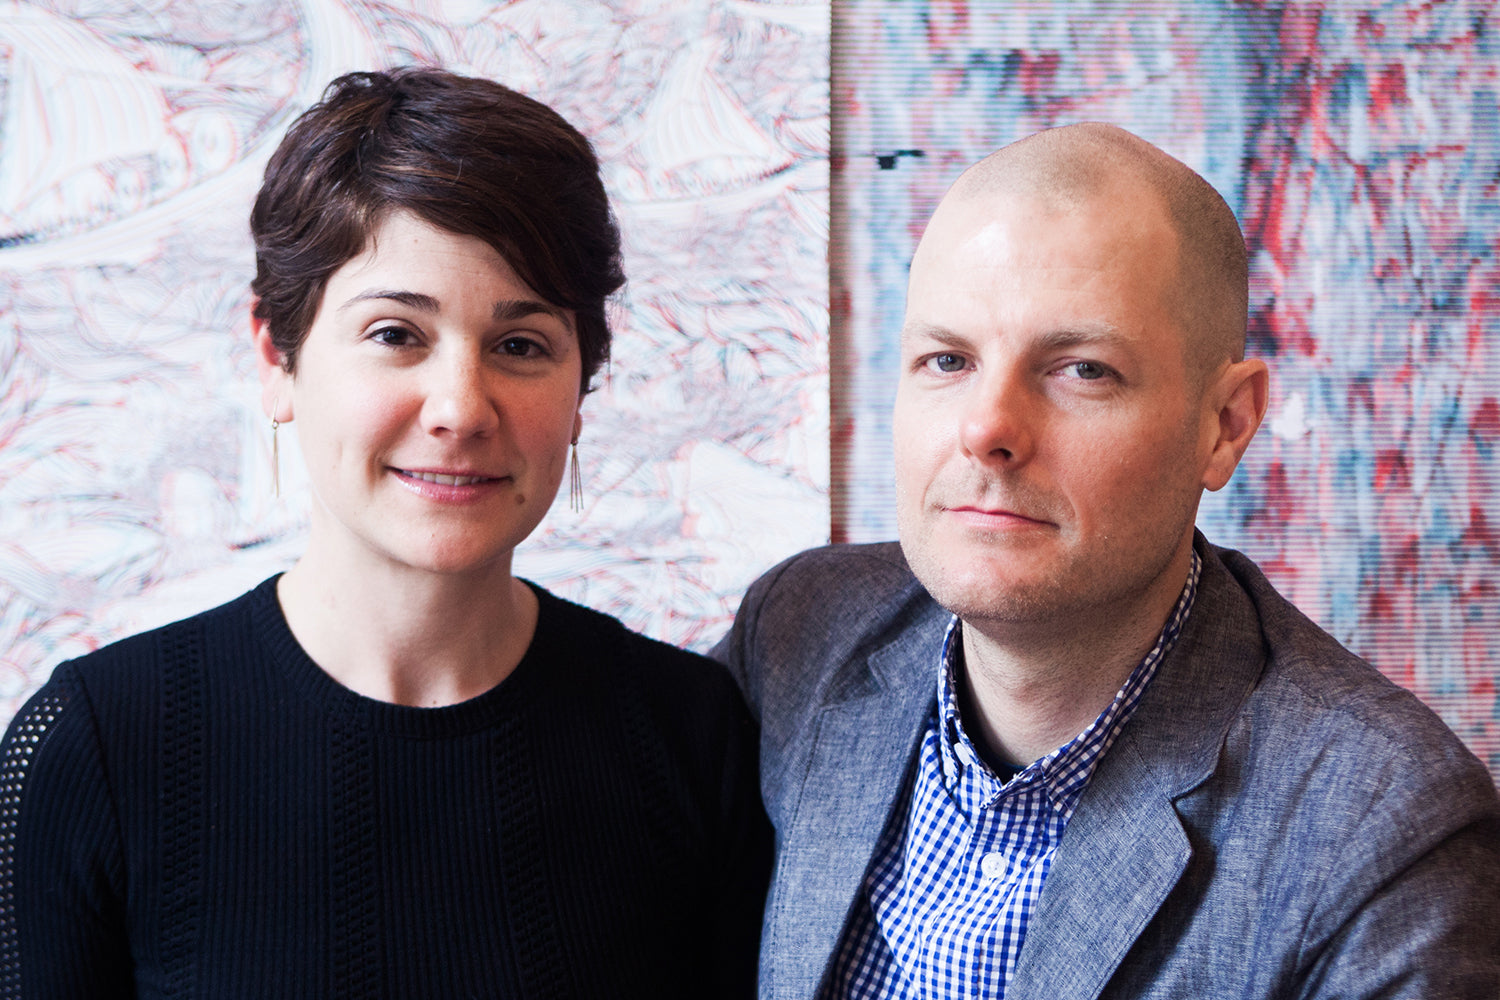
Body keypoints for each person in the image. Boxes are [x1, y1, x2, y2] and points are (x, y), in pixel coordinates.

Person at [0, 67, 770, 997]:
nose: (460, 407)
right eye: (396, 334)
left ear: (580, 392)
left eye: (521, 345)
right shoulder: (95, 746)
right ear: (277, 360)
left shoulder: (694, 735)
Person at [714, 123, 1500, 999]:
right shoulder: (796, 638)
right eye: (948, 359)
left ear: (1225, 425)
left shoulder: (1381, 831)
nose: (987, 429)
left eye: (1082, 370)